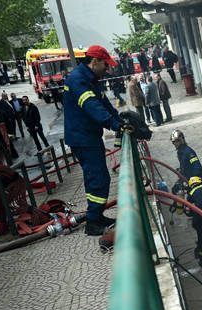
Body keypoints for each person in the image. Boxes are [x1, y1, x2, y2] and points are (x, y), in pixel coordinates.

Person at [63, 45, 124, 236]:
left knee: (100, 177)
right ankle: (92, 222)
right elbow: (92, 107)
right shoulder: (78, 81)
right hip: (83, 138)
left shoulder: (91, 80)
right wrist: (115, 126)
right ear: (94, 61)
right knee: (96, 178)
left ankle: (97, 216)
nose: (108, 69)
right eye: (105, 65)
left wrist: (119, 120)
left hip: (88, 136)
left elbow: (104, 104)